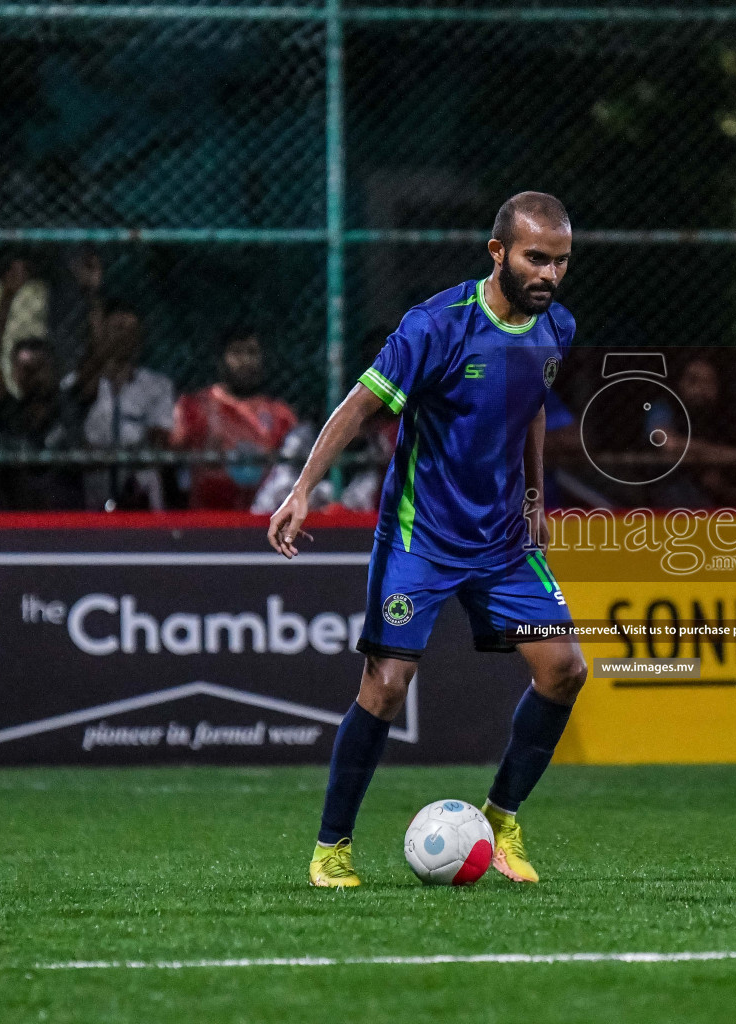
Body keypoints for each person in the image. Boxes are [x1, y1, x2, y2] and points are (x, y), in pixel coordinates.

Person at [267, 192, 586, 888]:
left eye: (560, 262)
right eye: (537, 258)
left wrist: (534, 496)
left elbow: (530, 407)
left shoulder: (553, 325)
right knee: (385, 686)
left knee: (564, 669)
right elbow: (357, 408)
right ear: (498, 253)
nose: (550, 275)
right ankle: (332, 849)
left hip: (504, 542)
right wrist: (302, 492)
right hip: (422, 538)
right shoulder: (435, 326)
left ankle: (501, 820)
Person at [0, 259, 80, 510]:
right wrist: (8, 296)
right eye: (25, 368)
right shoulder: (6, 410)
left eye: (39, 367)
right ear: (14, 373)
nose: (33, 374)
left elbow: (96, 362)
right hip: (13, 520)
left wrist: (90, 295)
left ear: (54, 371)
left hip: (65, 521)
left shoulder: (69, 404)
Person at [63, 299, 174, 510]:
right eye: (117, 328)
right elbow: (77, 447)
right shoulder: (79, 384)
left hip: (140, 491)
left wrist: (104, 455)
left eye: (131, 330)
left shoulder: (157, 386)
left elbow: (157, 444)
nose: (124, 336)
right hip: (94, 489)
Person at [172, 328, 298, 510]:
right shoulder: (195, 406)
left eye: (252, 352)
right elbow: (172, 455)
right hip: (205, 514)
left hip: (265, 515)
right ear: (221, 360)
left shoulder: (281, 414)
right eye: (237, 352)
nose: (246, 361)